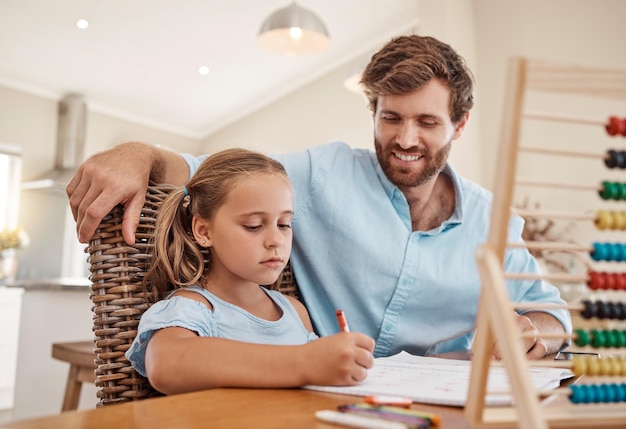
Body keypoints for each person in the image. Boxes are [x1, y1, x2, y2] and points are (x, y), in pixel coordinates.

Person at [68, 35, 572, 361]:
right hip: (335, 399)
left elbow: (552, 314)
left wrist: (533, 331)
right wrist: (139, 154)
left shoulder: (492, 219)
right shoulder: (321, 173)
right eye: (391, 118)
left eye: (427, 122)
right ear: (373, 113)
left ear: (459, 125)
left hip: (451, 406)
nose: (406, 139)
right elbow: (211, 174)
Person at [124, 148, 375, 394]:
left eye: (284, 224)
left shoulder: (294, 311)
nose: (276, 240)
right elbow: (168, 365)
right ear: (204, 231)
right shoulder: (193, 309)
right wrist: (304, 361)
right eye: (254, 226)